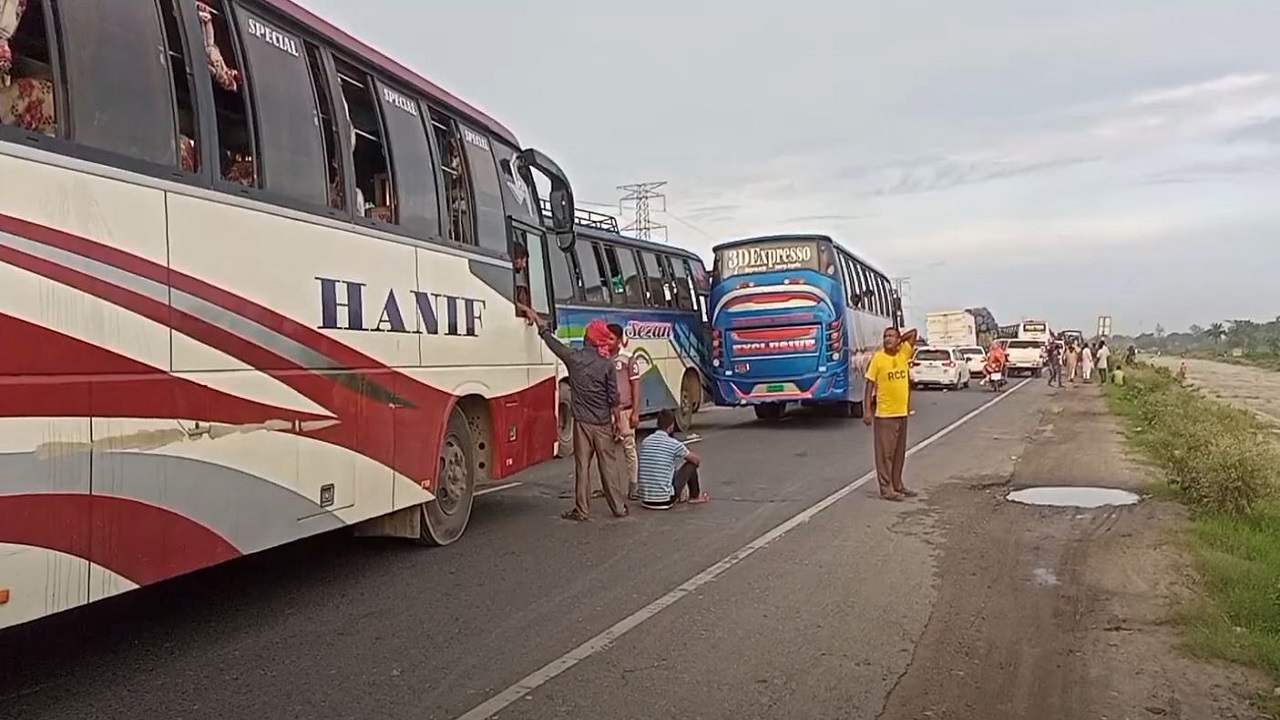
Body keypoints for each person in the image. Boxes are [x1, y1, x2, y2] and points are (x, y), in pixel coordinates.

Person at [519, 306, 627, 521]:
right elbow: (613, 397)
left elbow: (553, 344)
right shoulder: (606, 365)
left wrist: (540, 324)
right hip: (603, 422)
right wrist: (617, 421)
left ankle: (582, 509)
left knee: (582, 467)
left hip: (582, 423)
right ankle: (618, 508)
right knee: (609, 466)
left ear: (587, 339)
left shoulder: (574, 358)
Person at [863, 325, 920, 501]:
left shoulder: (903, 354)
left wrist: (900, 340)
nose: (887, 339)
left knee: (899, 453)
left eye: (891, 336)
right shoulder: (878, 359)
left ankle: (897, 484)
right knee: (885, 454)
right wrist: (866, 410)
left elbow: (914, 333)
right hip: (885, 415)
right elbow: (869, 386)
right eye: (885, 336)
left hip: (901, 412)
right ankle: (886, 488)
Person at [636, 409, 708, 510]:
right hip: (664, 500)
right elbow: (696, 460)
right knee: (691, 465)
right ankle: (695, 496)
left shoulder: (645, 442)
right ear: (671, 426)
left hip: (645, 500)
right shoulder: (674, 444)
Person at [607, 323, 642, 500]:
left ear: (620, 340)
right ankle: (611, 487)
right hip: (608, 413)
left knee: (629, 449)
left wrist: (635, 412)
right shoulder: (603, 359)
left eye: (611, 338)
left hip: (626, 411)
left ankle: (633, 486)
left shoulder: (628, 359)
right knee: (608, 451)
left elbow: (636, 386)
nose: (608, 342)